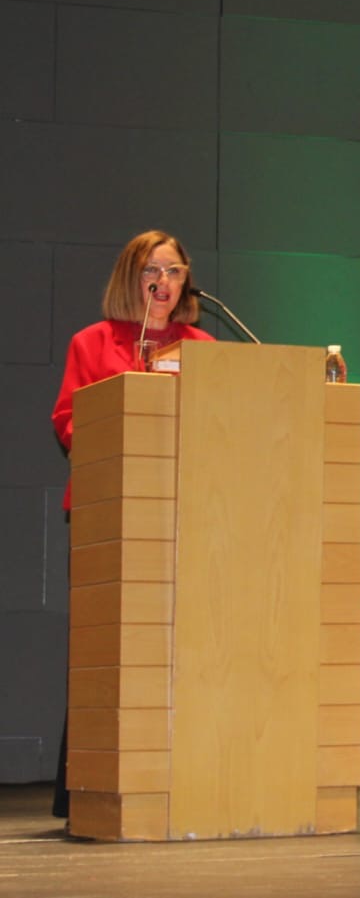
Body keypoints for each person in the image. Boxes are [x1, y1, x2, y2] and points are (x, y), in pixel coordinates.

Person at [49, 230, 216, 821]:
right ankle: (93, 787)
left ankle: (186, 778)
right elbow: (70, 423)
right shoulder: (92, 343)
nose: (164, 282)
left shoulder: (203, 344)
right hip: (110, 516)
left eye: (174, 270)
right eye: (152, 270)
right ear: (130, 277)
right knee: (112, 652)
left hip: (187, 514)